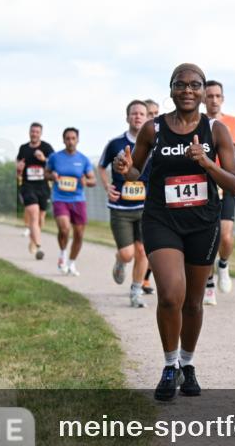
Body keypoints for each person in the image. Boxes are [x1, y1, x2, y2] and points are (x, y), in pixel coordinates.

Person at [113, 63, 235, 402]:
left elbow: (234, 185)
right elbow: (135, 172)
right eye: (180, 85)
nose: (187, 90)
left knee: (194, 302)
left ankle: (188, 363)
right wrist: (125, 171)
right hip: (161, 219)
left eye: (194, 85)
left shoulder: (216, 131)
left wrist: (207, 163)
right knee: (171, 294)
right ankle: (169, 365)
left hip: (202, 222)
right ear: (170, 90)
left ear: (202, 91)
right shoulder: (153, 129)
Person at [99, 100, 151, 308]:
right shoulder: (115, 144)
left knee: (143, 251)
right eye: (134, 113)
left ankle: (136, 291)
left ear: (147, 118)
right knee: (128, 253)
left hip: (146, 208)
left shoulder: (153, 144)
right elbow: (101, 167)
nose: (138, 116)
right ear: (127, 117)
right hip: (121, 208)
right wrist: (106, 186)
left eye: (141, 113)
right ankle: (120, 260)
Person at [201, 80, 235, 305]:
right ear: (202, 99)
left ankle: (224, 264)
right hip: (204, 183)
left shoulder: (233, 122)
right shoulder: (196, 124)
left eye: (217, 96)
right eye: (209, 96)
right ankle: (208, 284)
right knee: (209, 235)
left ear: (223, 98)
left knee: (225, 235)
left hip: (226, 182)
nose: (214, 100)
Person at [46, 127, 96, 276]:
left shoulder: (83, 159)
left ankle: (72, 263)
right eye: (67, 138)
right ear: (63, 140)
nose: (70, 141)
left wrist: (86, 180)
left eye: (73, 138)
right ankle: (63, 254)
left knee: (79, 234)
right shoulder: (55, 157)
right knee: (65, 229)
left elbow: (93, 180)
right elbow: (46, 174)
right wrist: (52, 176)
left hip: (78, 200)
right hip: (60, 198)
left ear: (78, 140)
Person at [16, 123, 55, 260]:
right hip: (28, 186)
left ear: (41, 133)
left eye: (37, 132)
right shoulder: (23, 148)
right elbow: (18, 167)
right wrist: (19, 168)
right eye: (32, 131)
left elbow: (55, 163)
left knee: (40, 218)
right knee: (33, 215)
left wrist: (44, 159)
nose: (34, 134)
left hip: (43, 186)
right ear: (29, 132)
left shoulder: (46, 147)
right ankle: (38, 246)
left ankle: (33, 240)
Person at [141, 99, 162, 295]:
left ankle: (145, 278)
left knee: (148, 244)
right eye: (150, 113)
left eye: (156, 112)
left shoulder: (164, 137)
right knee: (132, 248)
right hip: (131, 200)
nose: (154, 117)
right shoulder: (138, 141)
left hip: (153, 198)